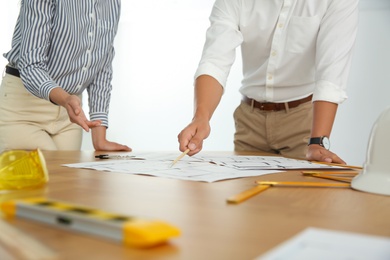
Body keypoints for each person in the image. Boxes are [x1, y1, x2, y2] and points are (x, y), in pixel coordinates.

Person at [178, 0, 359, 163]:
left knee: (302, 199)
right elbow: (215, 61)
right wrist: (201, 117)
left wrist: (317, 141)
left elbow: (331, 73)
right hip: (250, 121)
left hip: (303, 121)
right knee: (246, 197)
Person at [0, 0, 131, 151]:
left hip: (69, 117)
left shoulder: (112, 3)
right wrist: (66, 99)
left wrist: (99, 136)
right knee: (45, 172)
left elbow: (102, 66)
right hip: (24, 111)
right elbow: (31, 64)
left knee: (69, 174)